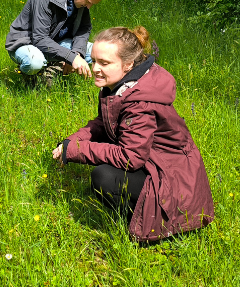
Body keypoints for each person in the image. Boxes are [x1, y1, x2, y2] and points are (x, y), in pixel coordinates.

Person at [52, 27, 214, 242]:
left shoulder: (140, 101)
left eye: (105, 63)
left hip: (176, 184)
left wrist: (75, 150)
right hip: (158, 163)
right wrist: (73, 141)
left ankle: (152, 223)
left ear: (128, 64)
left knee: (103, 178)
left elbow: (130, 157)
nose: (96, 68)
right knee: (103, 165)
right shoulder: (122, 83)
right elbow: (104, 123)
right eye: (94, 61)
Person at [6, 0, 107, 86]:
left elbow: (83, 29)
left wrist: (76, 53)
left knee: (99, 52)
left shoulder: (81, 2)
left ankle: (51, 69)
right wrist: (70, 57)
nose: (89, 7)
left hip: (56, 43)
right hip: (27, 42)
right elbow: (39, 39)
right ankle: (29, 77)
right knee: (35, 62)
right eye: (88, 2)